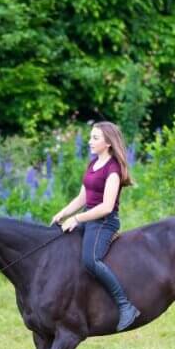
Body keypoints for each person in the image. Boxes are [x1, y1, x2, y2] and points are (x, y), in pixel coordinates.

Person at [51, 122, 140, 330]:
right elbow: (83, 197)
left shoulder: (113, 169)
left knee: (90, 260)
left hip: (104, 222)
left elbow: (106, 207)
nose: (90, 142)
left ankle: (125, 305)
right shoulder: (93, 164)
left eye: (95, 138)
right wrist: (63, 213)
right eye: (90, 137)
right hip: (89, 218)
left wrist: (77, 219)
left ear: (108, 143)